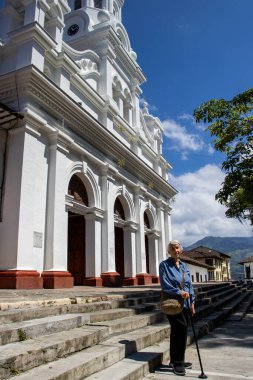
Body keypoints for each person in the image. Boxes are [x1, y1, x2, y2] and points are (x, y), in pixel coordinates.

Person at [159, 240, 195, 376]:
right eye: (173, 249)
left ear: (181, 249)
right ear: (169, 251)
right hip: (172, 302)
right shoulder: (164, 265)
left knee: (181, 331)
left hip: (186, 303)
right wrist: (179, 292)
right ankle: (178, 363)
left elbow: (189, 285)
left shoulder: (185, 266)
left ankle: (176, 360)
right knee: (180, 329)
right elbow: (165, 284)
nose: (176, 251)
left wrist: (192, 302)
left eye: (178, 248)